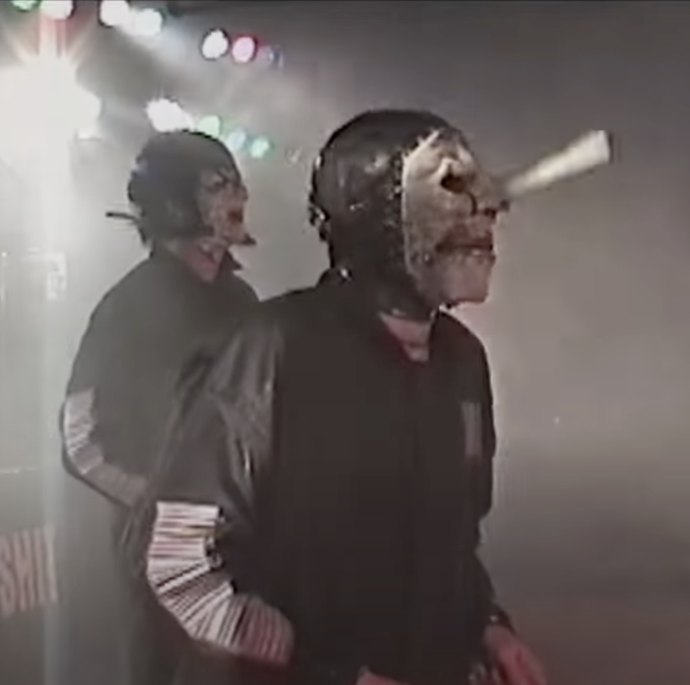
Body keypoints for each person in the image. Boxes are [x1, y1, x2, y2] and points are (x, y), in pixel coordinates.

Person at [123, 110, 547, 685]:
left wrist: (486, 625)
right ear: (373, 212)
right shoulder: (273, 351)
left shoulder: (462, 362)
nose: (490, 207)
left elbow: (450, 543)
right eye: (452, 185)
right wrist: (326, 674)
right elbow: (178, 567)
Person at [58, 130, 260, 685]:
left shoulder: (242, 302)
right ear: (175, 202)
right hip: (164, 559)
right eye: (217, 185)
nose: (237, 197)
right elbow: (81, 441)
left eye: (234, 183)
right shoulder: (127, 308)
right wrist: (160, 500)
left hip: (246, 553)